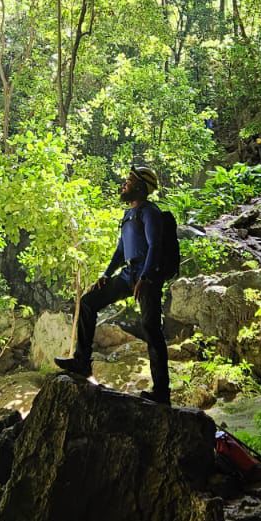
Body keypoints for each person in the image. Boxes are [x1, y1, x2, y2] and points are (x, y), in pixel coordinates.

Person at [55, 164, 171, 405]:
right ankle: (81, 363)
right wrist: (107, 274)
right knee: (88, 302)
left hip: (147, 278)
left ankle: (161, 391)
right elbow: (121, 250)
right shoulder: (129, 214)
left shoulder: (150, 212)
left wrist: (146, 278)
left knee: (151, 329)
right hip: (129, 274)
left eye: (129, 181)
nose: (124, 184)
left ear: (140, 187)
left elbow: (155, 247)